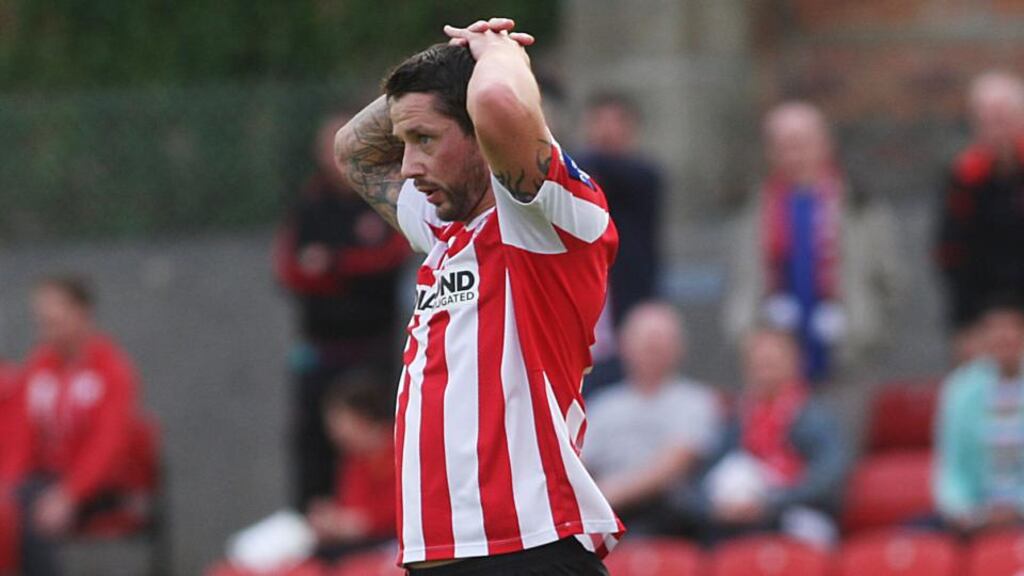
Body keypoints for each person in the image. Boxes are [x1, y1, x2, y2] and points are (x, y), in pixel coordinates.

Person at [333, 17, 621, 575]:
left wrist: (498, 50)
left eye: (425, 141)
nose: (409, 166)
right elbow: (354, 152)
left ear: (482, 140)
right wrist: (451, 54)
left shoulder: (546, 224)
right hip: (443, 555)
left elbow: (493, 97)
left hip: (523, 548)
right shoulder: (445, 227)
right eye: (404, 142)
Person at [274, 113, 409, 510]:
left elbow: (389, 261)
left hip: (372, 349)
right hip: (321, 351)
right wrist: (349, 271)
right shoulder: (309, 206)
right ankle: (312, 530)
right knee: (313, 444)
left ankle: (375, 529)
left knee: (374, 445)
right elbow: (291, 270)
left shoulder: (384, 200)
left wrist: (334, 264)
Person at [723, 102, 904, 385]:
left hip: (849, 357)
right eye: (783, 145)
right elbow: (741, 282)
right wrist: (747, 336)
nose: (793, 154)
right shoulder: (753, 211)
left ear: (825, 144)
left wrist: (870, 332)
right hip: (772, 366)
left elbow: (890, 281)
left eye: (801, 143)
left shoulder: (860, 205)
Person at [4, 276, 143, 576]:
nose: (46, 330)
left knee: (31, 512)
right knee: (13, 505)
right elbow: (21, 435)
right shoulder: (39, 365)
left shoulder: (111, 368)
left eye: (54, 320)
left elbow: (109, 444)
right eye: (41, 321)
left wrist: (70, 494)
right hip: (44, 484)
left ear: (82, 314)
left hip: (100, 489)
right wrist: (8, 485)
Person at [674, 327, 850, 547]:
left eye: (773, 361)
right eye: (758, 363)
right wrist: (715, 507)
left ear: (796, 362)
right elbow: (699, 478)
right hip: (732, 521)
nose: (765, 369)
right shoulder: (734, 419)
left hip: (796, 516)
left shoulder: (816, 416)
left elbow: (828, 475)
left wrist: (771, 502)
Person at [583, 302, 720, 537]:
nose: (652, 350)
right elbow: (580, 464)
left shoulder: (697, 402)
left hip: (670, 518)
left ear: (679, 348)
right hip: (603, 516)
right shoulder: (602, 406)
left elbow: (673, 466)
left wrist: (604, 497)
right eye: (646, 343)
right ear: (624, 346)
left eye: (660, 343)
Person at [936, 71, 1024, 361]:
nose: (994, 129)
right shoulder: (964, 179)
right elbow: (951, 254)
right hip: (982, 319)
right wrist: (968, 323)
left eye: (1001, 119)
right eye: (985, 120)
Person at [934, 296, 1024, 533]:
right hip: (973, 516)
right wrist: (963, 511)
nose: (1004, 337)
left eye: (1012, 329)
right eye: (995, 330)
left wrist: (1016, 508)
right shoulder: (961, 389)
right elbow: (952, 466)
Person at [577, 93, 663, 328]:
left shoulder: (645, 176)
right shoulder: (580, 170)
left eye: (614, 122)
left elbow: (614, 173)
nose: (606, 131)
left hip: (631, 291)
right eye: (599, 122)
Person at [307, 370, 396, 562]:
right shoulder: (353, 460)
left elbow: (397, 512)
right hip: (358, 545)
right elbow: (350, 505)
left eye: (340, 423)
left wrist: (361, 524)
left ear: (361, 418)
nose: (334, 433)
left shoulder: (398, 451)